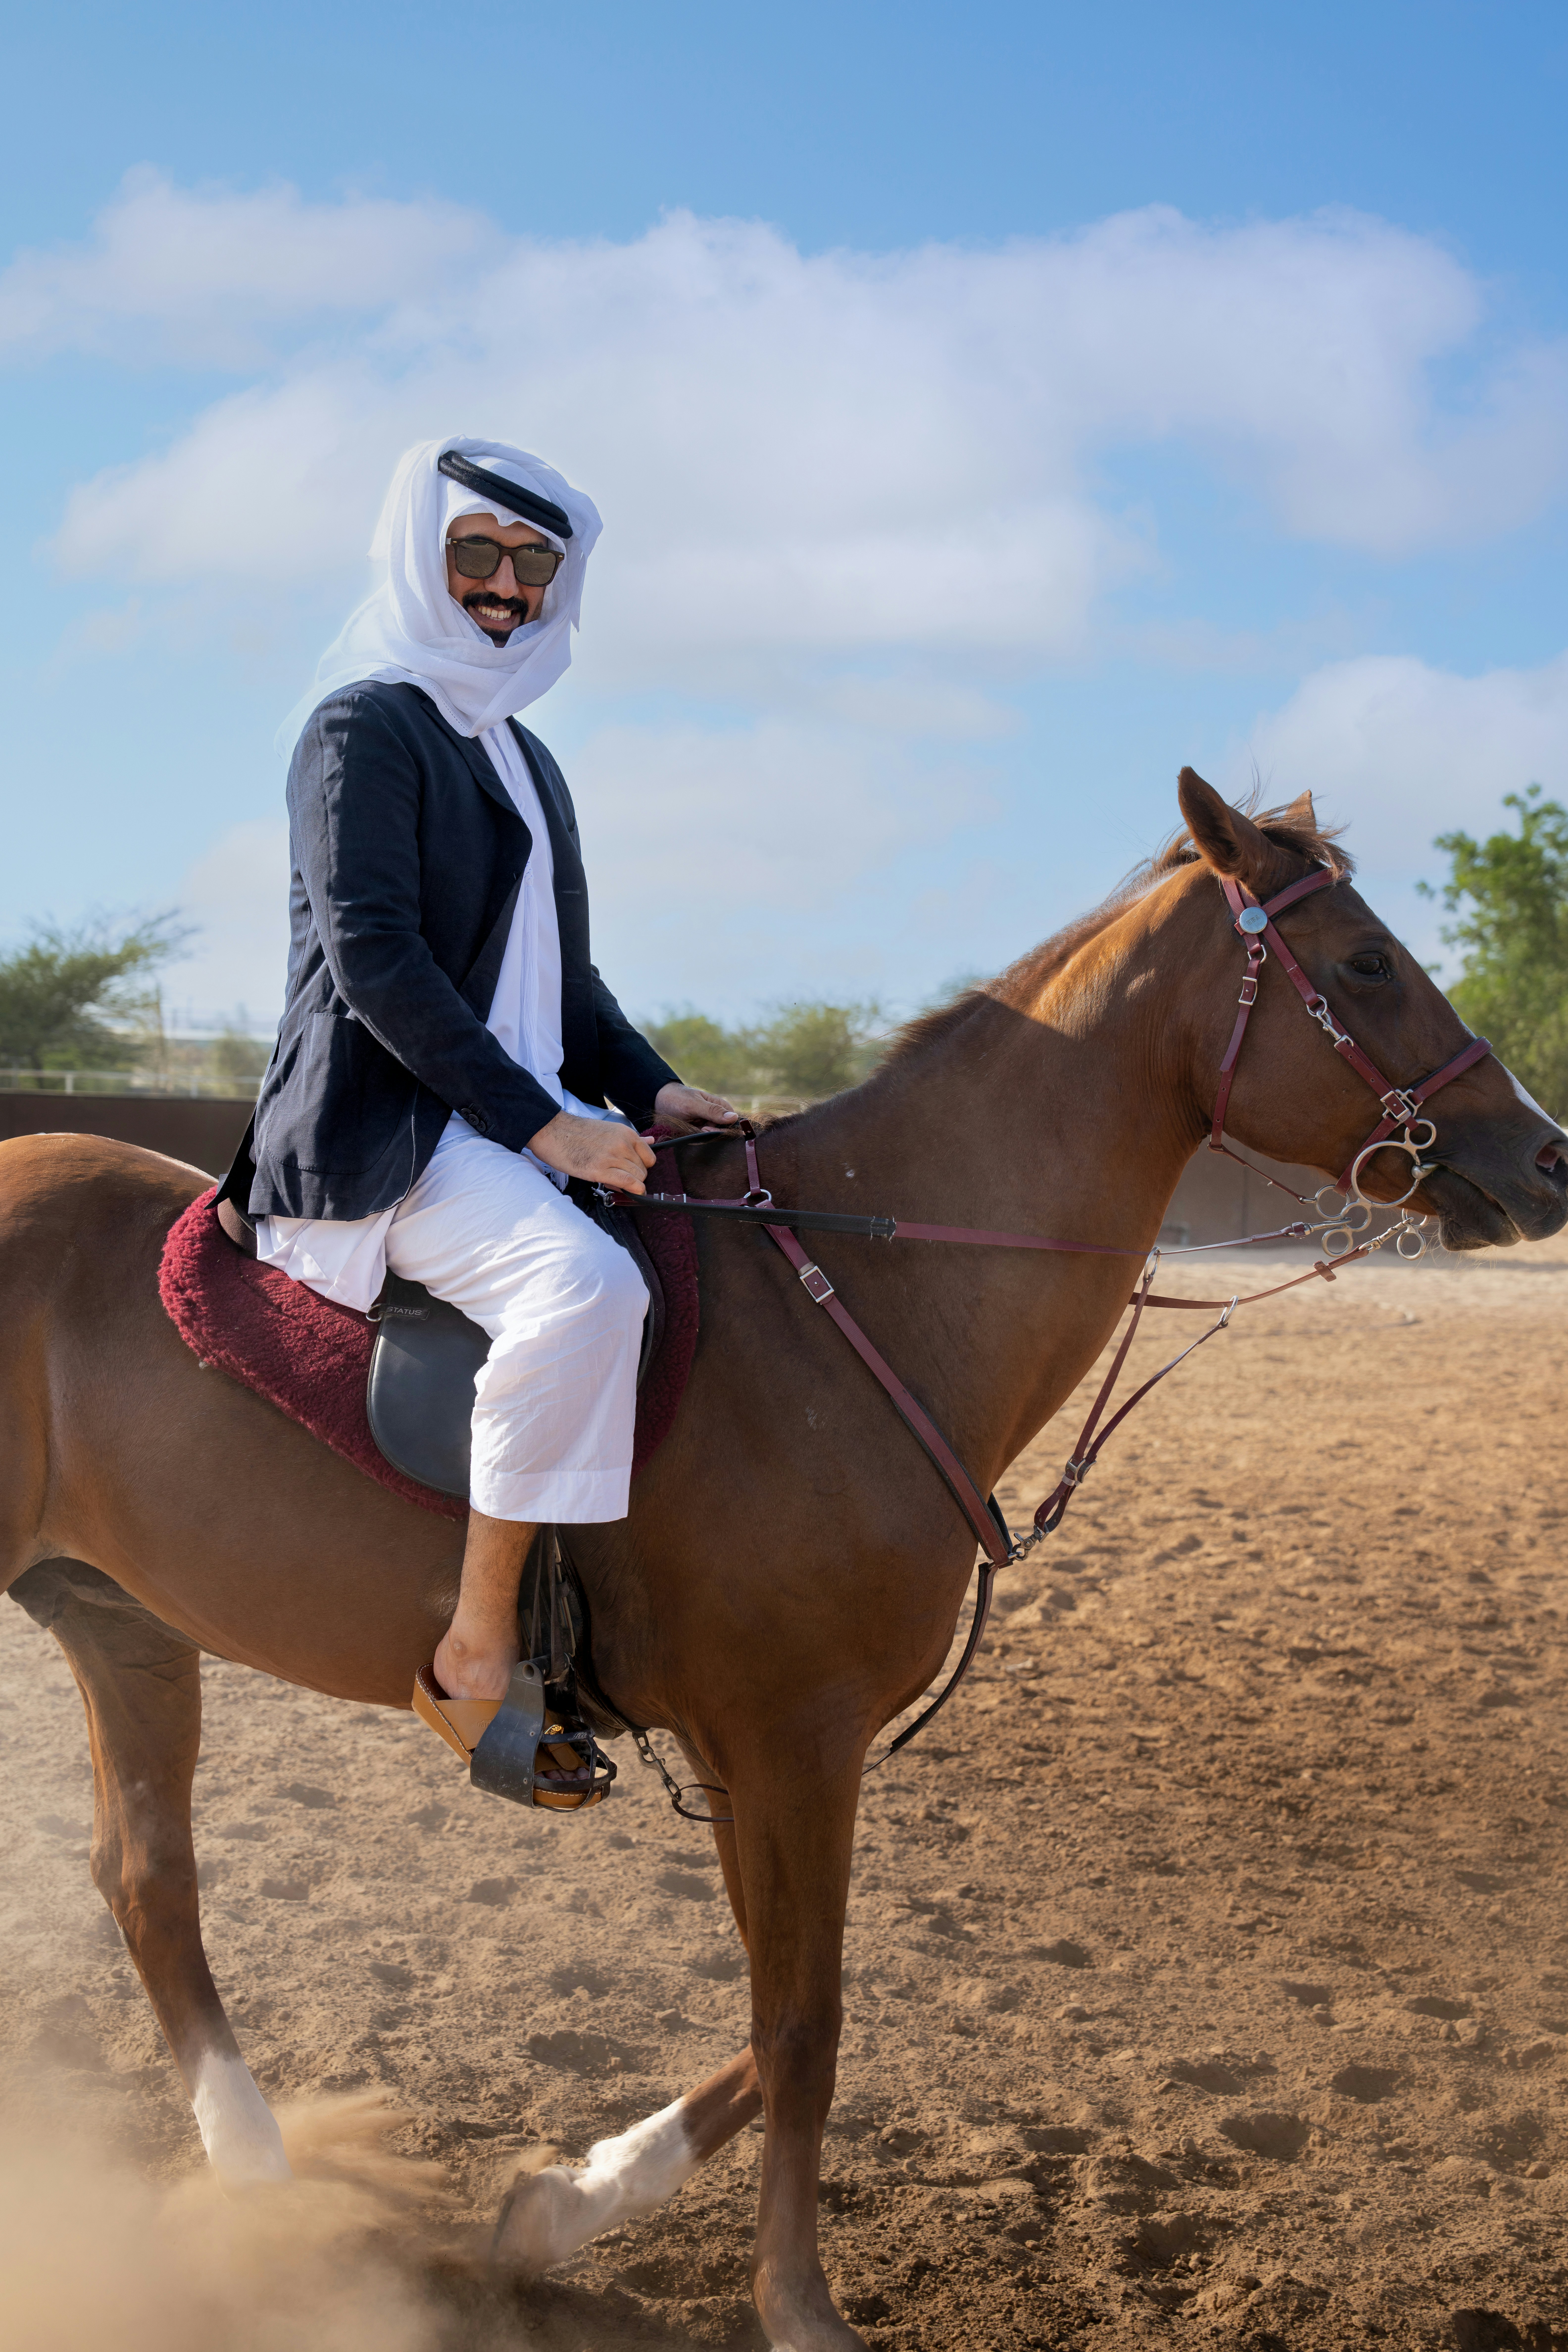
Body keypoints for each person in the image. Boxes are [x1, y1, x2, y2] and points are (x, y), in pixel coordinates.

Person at [241, 436, 734, 1706]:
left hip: (508, 1118)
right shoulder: (364, 725)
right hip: (388, 1126)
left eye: (532, 565)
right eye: (478, 556)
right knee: (583, 1292)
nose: (507, 589)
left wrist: (650, 1089)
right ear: (425, 556)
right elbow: (376, 960)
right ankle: (474, 1650)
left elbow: (565, 985)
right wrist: (546, 1132)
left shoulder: (526, 755)